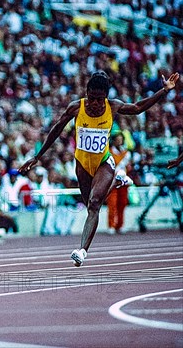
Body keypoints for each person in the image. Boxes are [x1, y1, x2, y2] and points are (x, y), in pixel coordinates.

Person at [20, 71, 180, 266]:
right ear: (86, 93)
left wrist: (163, 91)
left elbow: (138, 107)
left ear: (106, 97)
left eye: (100, 99)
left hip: (103, 162)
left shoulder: (113, 106)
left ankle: (82, 251)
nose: (95, 103)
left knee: (95, 204)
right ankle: (118, 180)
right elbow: (56, 129)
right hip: (81, 164)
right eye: (92, 98)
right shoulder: (76, 108)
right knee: (90, 205)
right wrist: (37, 156)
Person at [106, 132, 131, 234]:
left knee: (122, 203)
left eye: (121, 139)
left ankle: (120, 225)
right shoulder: (109, 151)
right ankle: (111, 225)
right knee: (112, 203)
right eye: (117, 139)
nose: (119, 141)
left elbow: (128, 166)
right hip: (113, 181)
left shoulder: (126, 153)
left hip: (123, 181)